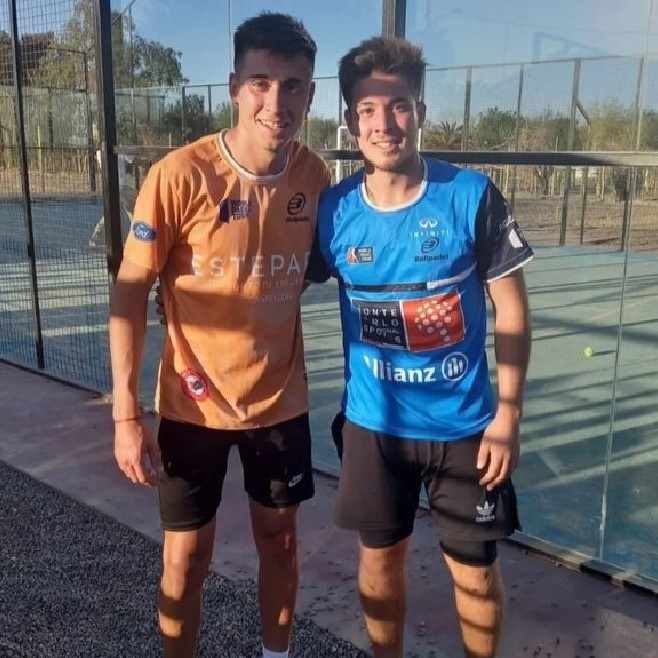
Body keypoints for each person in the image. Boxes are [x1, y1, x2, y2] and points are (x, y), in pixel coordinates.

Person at [109, 13, 330, 658]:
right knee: (186, 557)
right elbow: (130, 291)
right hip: (192, 404)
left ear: (311, 94)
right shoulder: (179, 175)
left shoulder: (315, 179)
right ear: (234, 86)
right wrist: (125, 414)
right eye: (261, 82)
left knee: (281, 544)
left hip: (279, 404)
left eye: (293, 86)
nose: (276, 103)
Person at [316, 37, 533, 658]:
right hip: (374, 428)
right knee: (379, 566)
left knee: (475, 575)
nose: (385, 124)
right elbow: (273, 283)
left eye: (399, 106)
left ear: (421, 111)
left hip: (465, 429)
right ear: (351, 120)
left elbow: (512, 308)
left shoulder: (470, 194)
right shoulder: (334, 211)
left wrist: (508, 417)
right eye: (368, 110)